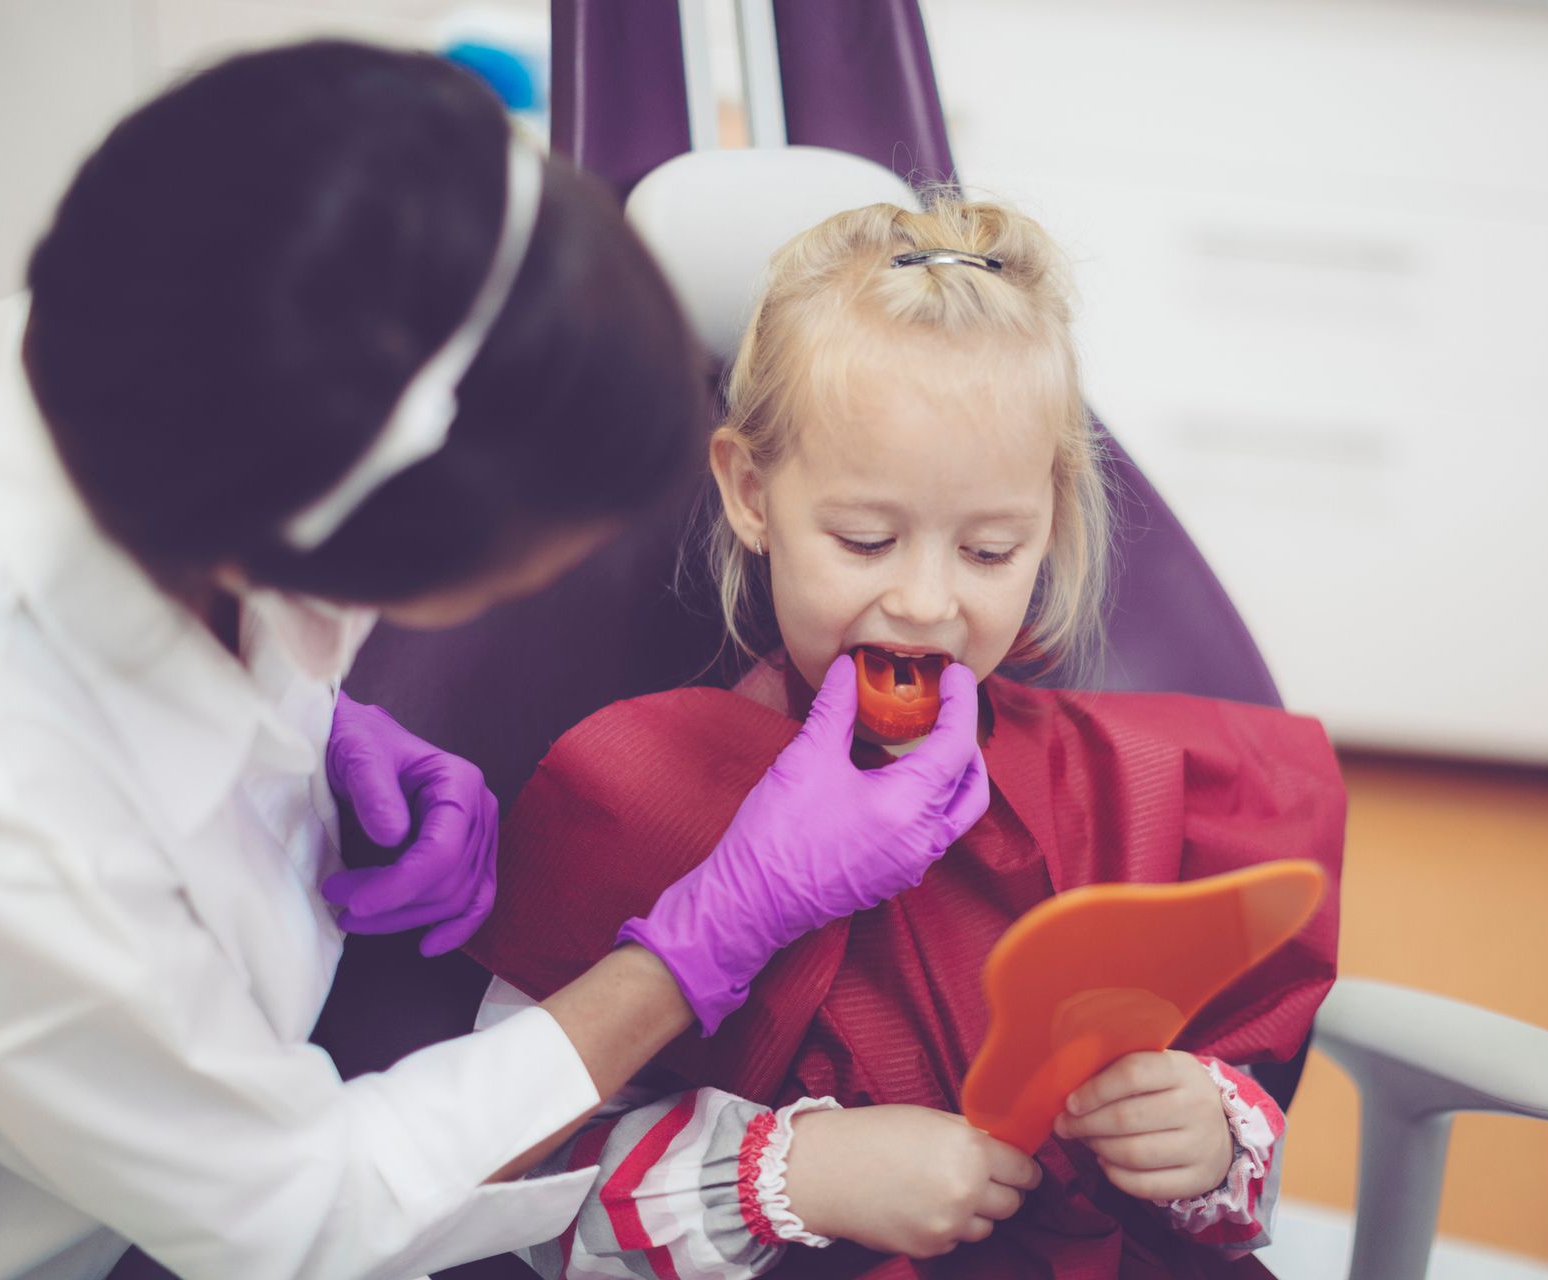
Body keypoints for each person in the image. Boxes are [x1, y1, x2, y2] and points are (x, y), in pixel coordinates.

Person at [0, 42, 986, 1280]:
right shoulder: (13, 831)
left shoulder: (145, 339)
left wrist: (309, 727)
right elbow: (309, 1213)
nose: (923, 595)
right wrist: (710, 936)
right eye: (866, 536)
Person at [468, 198, 1347, 1278]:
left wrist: (1202, 1134)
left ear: (1052, 523)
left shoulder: (1130, 792)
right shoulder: (633, 789)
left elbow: (1229, 1169)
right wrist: (796, 1171)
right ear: (750, 490)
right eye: (865, 538)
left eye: (989, 550)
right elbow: (505, 1183)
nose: (928, 601)